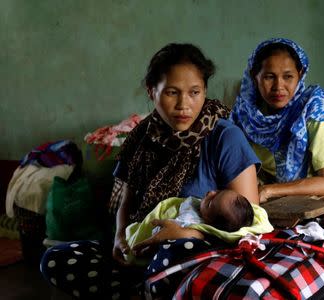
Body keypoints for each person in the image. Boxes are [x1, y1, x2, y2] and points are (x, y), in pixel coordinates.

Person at [40, 43, 261, 299]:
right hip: (140, 250)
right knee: (55, 258)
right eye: (171, 92)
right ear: (151, 91)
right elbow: (127, 200)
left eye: (194, 92)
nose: (184, 104)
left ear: (205, 92)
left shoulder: (225, 138)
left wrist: (188, 234)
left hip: (197, 257)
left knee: (176, 252)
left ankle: (144, 288)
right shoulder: (141, 138)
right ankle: (140, 289)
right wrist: (120, 237)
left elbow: (250, 225)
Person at [230, 37, 324, 203]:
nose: (278, 86)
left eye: (288, 77)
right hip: (264, 203)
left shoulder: (314, 110)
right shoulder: (245, 115)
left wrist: (269, 190)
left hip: (310, 205)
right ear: (255, 76)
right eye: (269, 77)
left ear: (300, 75)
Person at [124, 189, 273, 265]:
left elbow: (165, 233)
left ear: (208, 221)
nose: (210, 192)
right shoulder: (204, 212)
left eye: (210, 202)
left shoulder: (192, 221)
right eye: (218, 191)